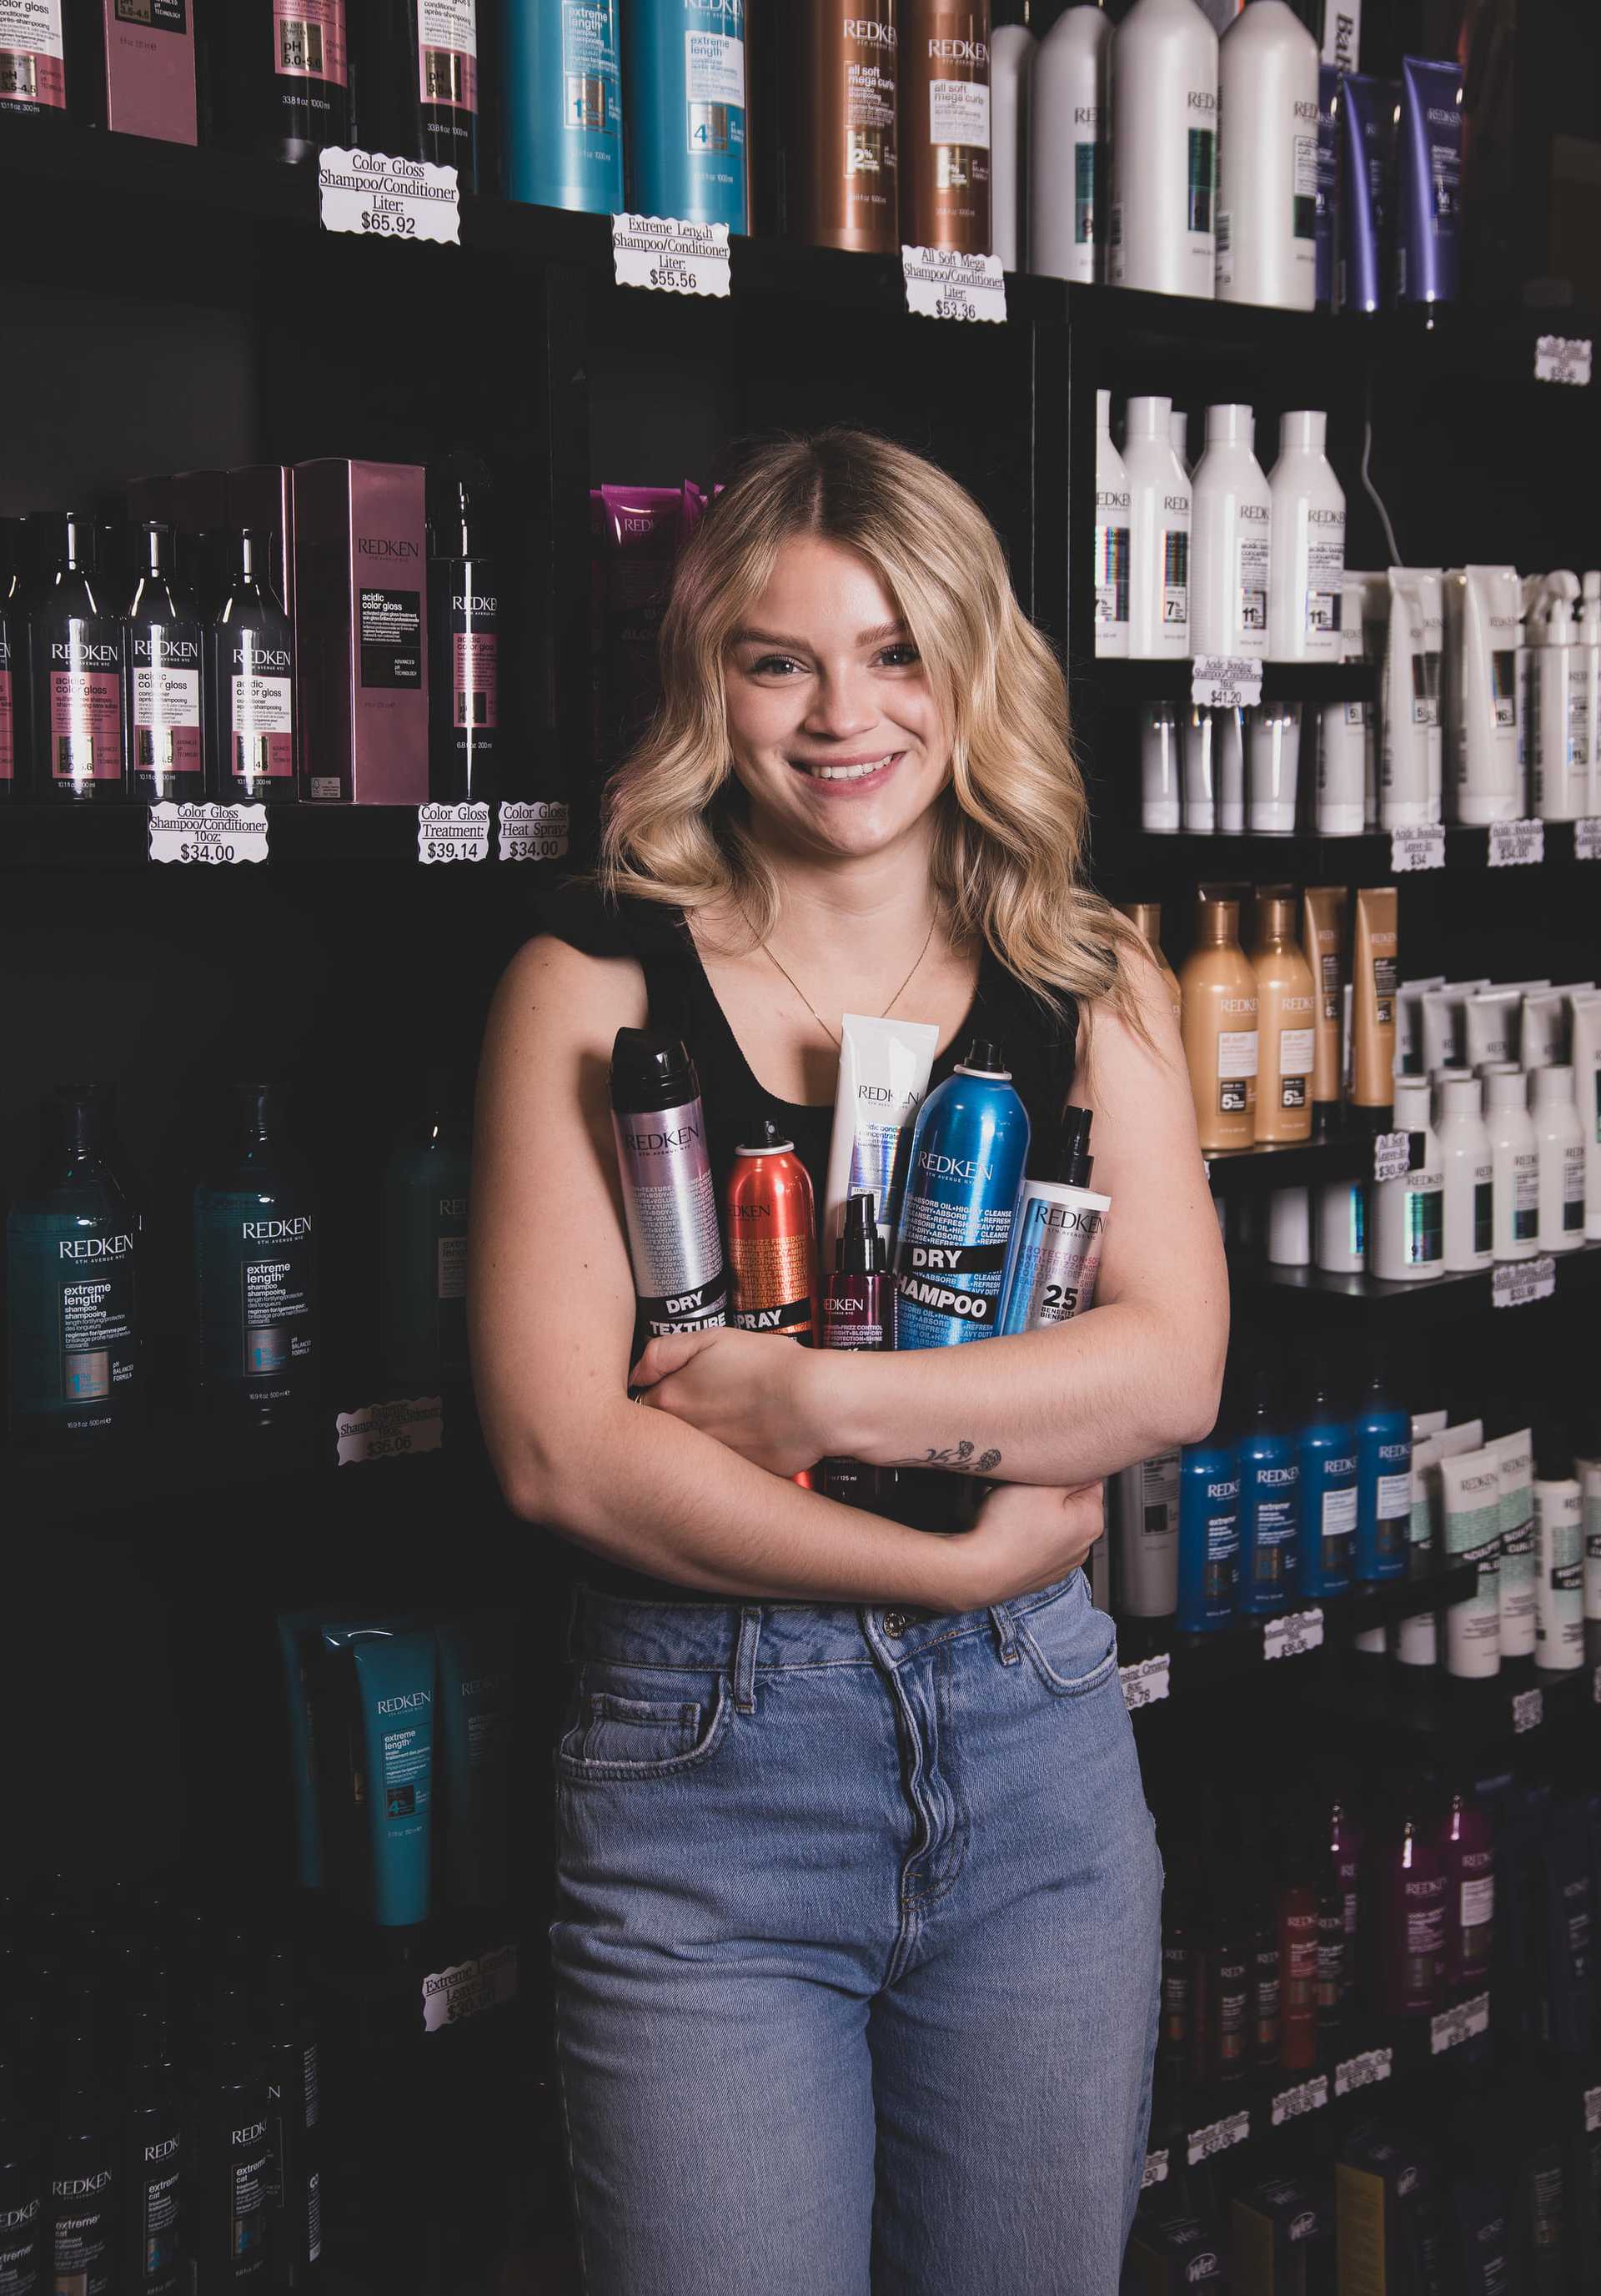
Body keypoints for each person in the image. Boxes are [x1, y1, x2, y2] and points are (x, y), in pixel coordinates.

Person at [471, 430, 1227, 2295]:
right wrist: (948, 1558)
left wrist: (810, 1402)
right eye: (777, 659)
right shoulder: (592, 982)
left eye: (895, 652)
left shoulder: (1088, 973)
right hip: (709, 1787)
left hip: (1041, 1780)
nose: (841, 717)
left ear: (974, 670)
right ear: (708, 684)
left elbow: (1170, 1373)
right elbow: (564, 1458)